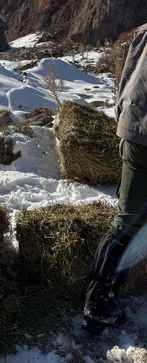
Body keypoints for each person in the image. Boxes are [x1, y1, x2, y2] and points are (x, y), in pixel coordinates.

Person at [82, 22, 147, 335]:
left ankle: (98, 289)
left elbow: (126, 77)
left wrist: (123, 124)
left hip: (135, 131)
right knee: (129, 223)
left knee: (126, 219)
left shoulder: (144, 31)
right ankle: (99, 303)